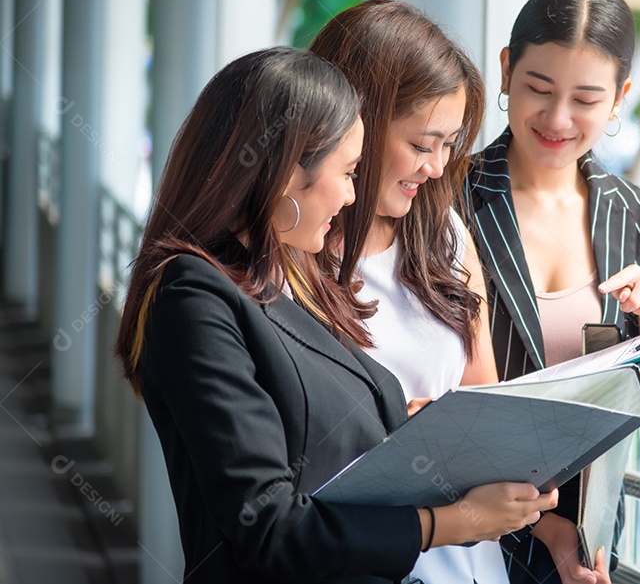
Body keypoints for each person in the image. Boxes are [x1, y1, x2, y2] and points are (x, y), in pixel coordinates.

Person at [114, 47, 556, 584]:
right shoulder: (193, 296)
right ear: (282, 173)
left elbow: (317, 433)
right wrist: (449, 523)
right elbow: (267, 526)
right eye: (347, 172)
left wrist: (427, 433)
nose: (351, 196)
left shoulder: (274, 278)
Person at [465, 0, 640, 584]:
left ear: (620, 97)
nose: (558, 119)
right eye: (538, 89)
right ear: (507, 70)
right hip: (467, 540)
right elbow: (424, 395)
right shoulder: (448, 198)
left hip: (587, 552)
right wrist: (543, 528)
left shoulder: (636, 212)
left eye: (587, 99)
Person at [309, 0, 510, 584]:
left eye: (450, 145)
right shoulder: (290, 257)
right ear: (353, 123)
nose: (437, 166)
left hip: (467, 562)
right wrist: (404, 425)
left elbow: (485, 398)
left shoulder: (444, 232)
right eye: (423, 145)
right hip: (357, 557)